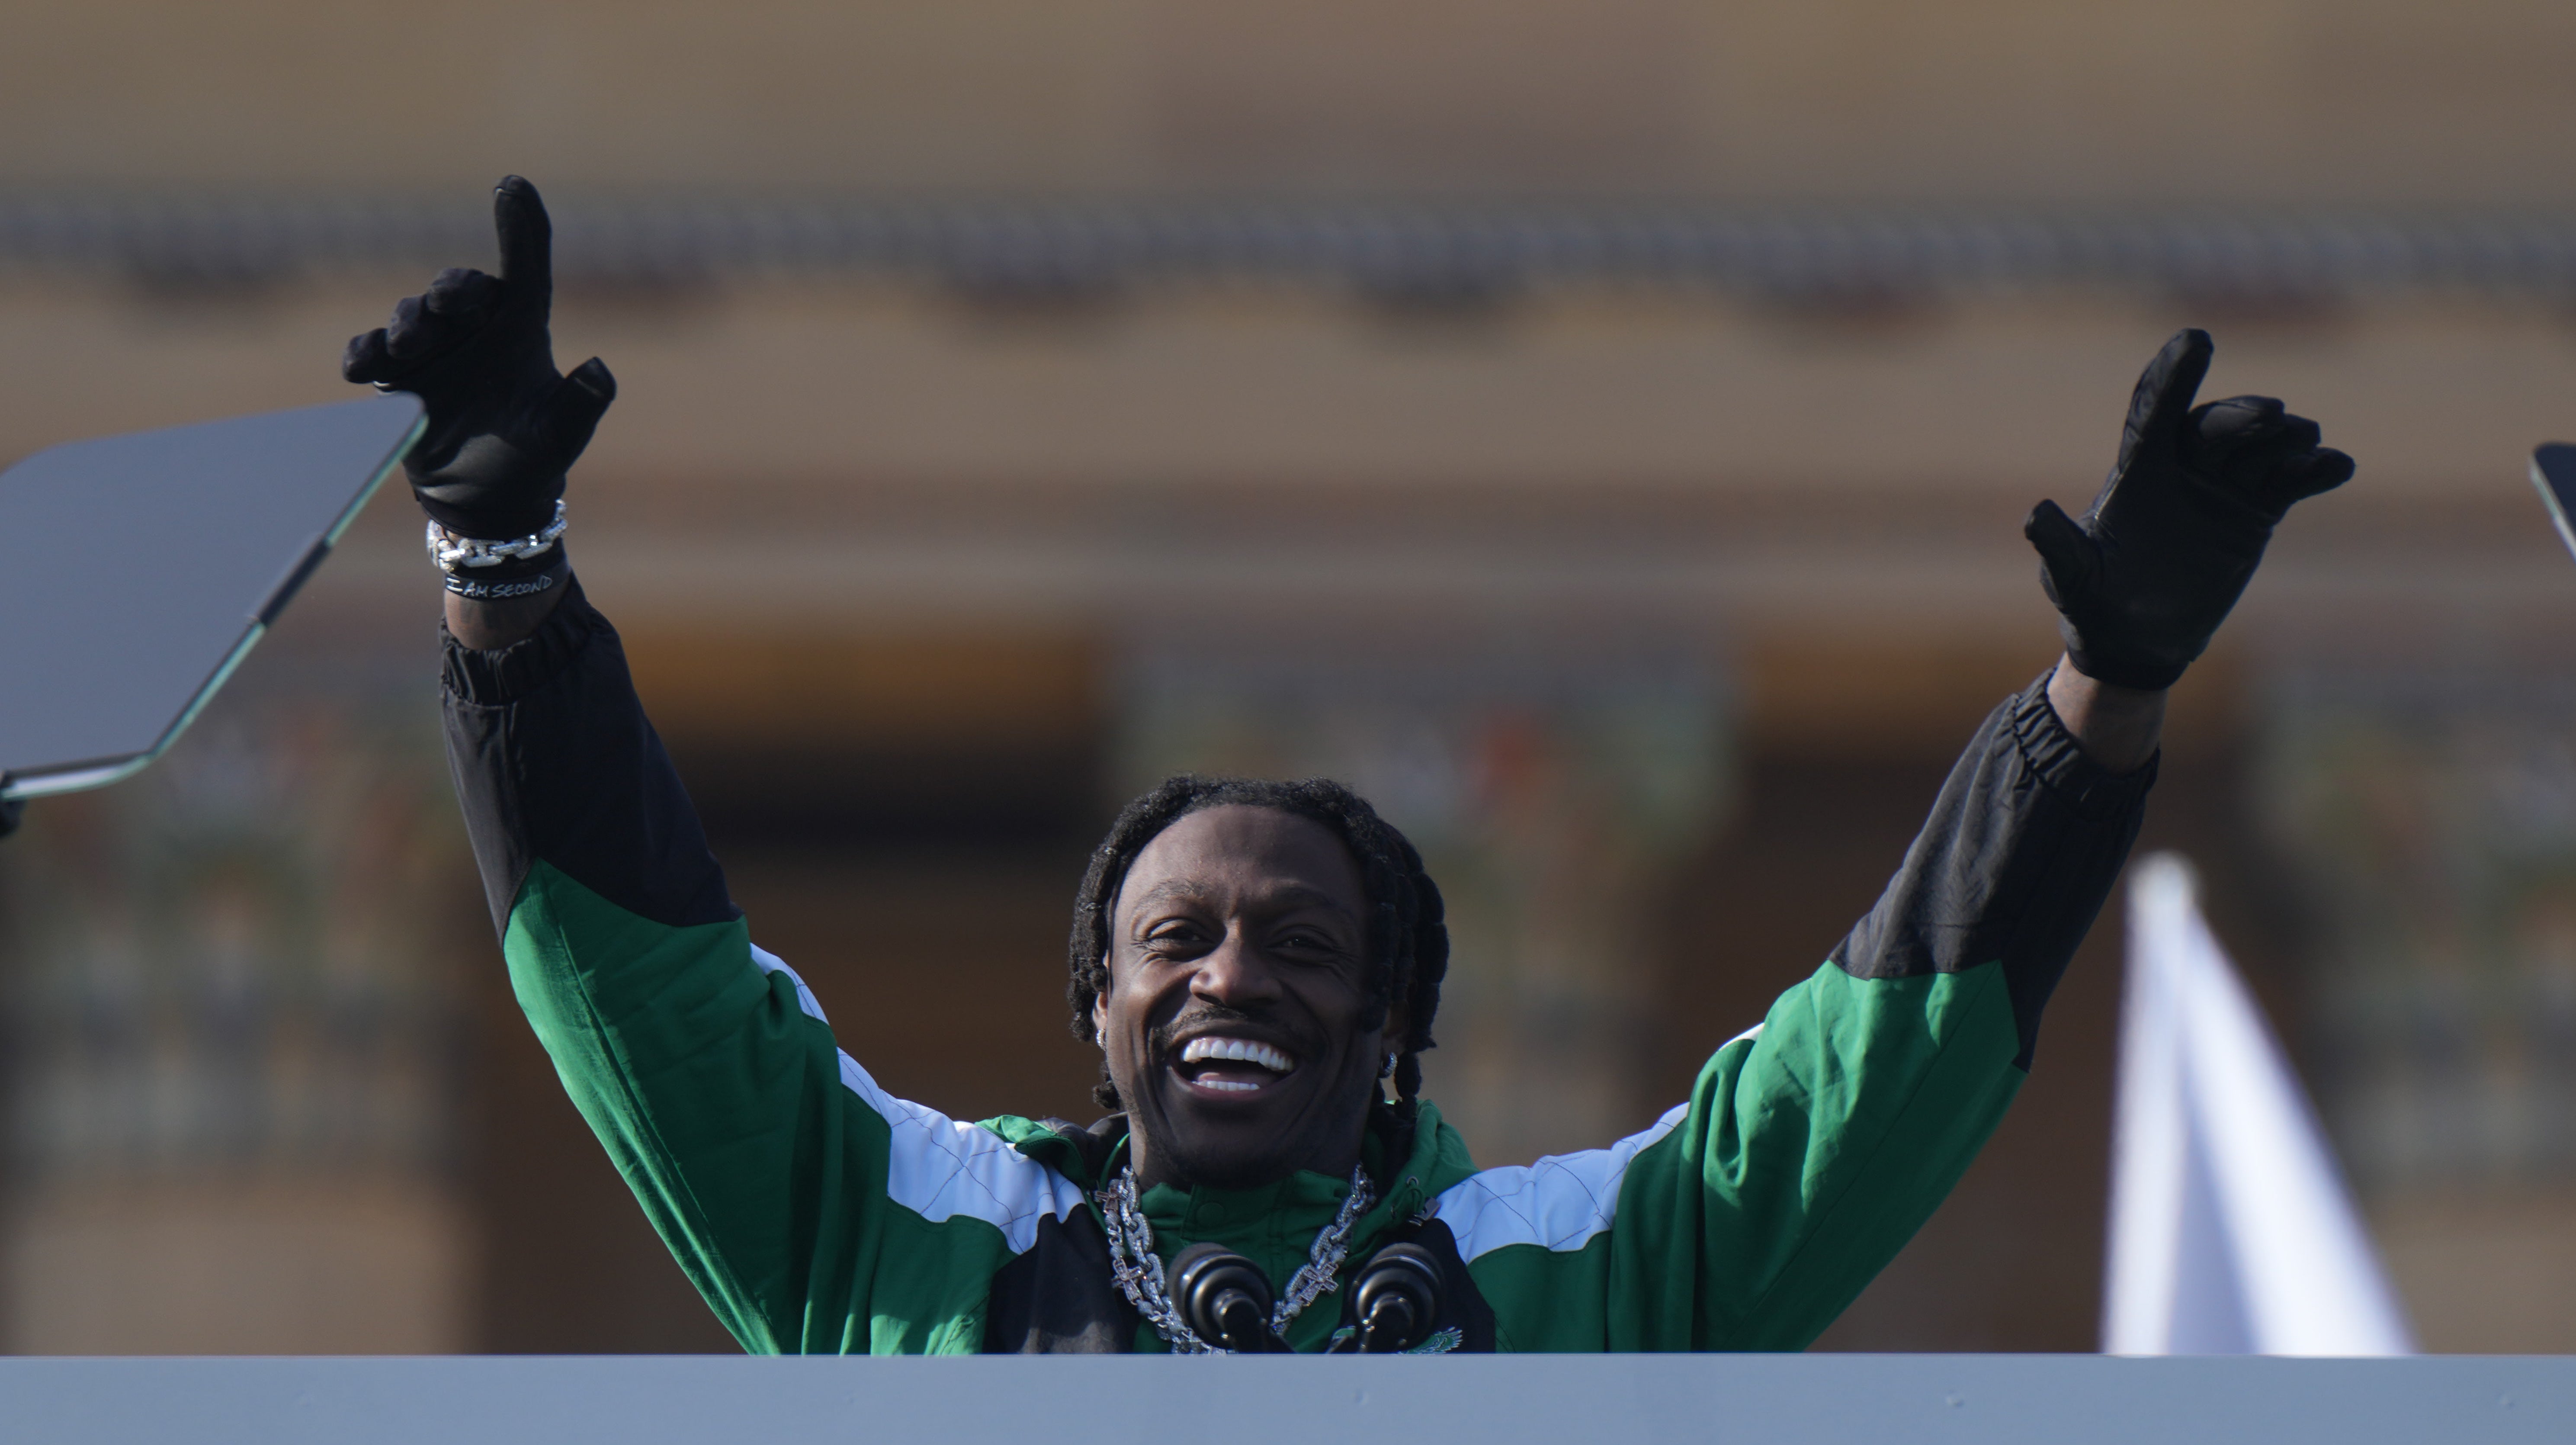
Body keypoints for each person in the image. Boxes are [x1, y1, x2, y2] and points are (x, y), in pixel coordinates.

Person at [346, 177, 2353, 1355]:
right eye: (1176, 939)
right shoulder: (903, 1236)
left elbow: (1873, 1066)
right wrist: (496, 556)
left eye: (1304, 944)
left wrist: (2101, 688)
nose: (1232, 972)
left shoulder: (1564, 1273)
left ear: (1393, 1022)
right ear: (1096, 1003)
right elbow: (650, 987)